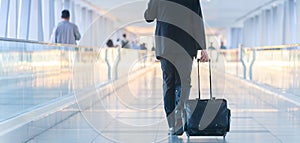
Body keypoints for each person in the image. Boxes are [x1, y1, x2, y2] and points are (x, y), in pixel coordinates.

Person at [144, 0, 209, 136]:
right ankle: (180, 111)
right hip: (186, 44)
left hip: (165, 44)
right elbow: (197, 20)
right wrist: (202, 47)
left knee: (169, 83)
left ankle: (171, 122)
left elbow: (149, 17)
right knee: (184, 81)